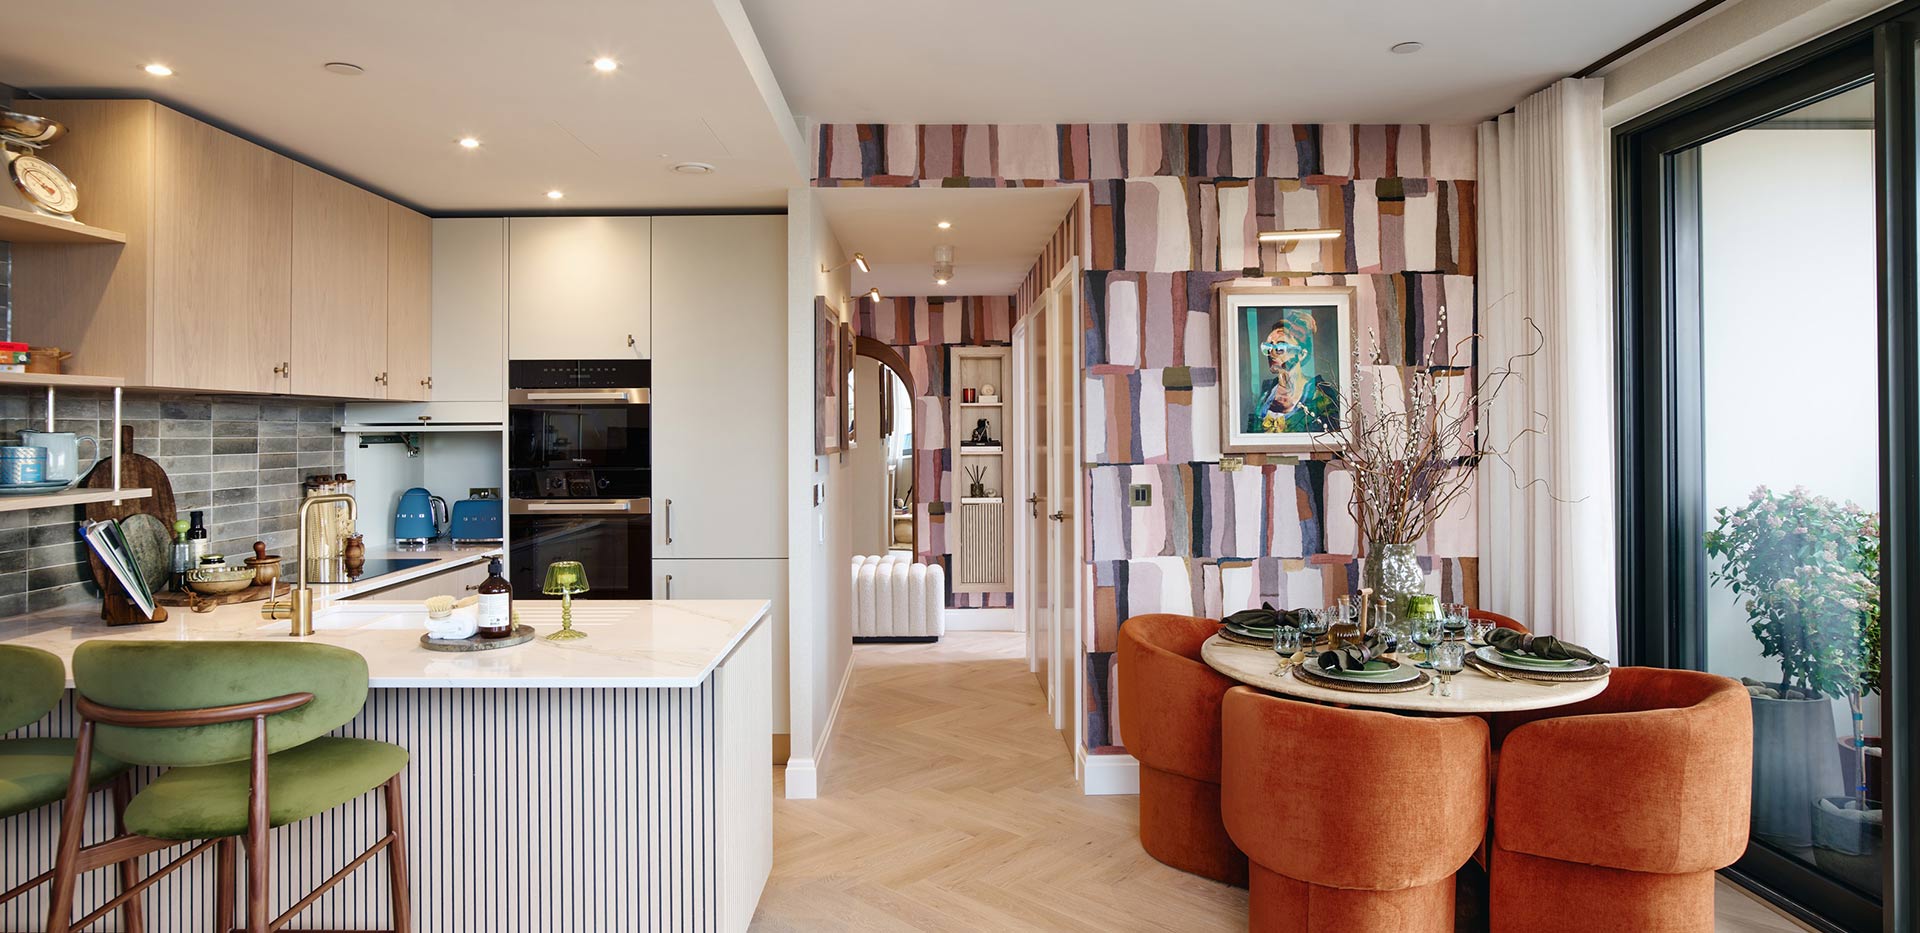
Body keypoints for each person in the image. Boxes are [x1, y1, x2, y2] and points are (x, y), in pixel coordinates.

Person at [1246, 310, 1338, 434]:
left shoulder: (1321, 397)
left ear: (1301, 354)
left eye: (1281, 347)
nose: (1272, 353)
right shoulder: (1266, 394)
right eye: (1268, 347)